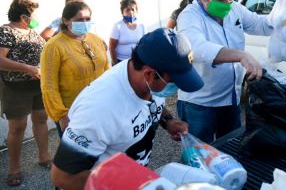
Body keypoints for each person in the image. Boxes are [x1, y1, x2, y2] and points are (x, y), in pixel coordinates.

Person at [50, 28, 204, 190]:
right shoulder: (100, 109)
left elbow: (153, 103)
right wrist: (130, 184)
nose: (176, 88)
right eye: (174, 82)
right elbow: (62, 177)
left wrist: (168, 121)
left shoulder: (142, 78)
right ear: (150, 74)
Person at [176, 0, 273, 143]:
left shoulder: (234, 8)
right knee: (200, 156)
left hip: (230, 99)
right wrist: (241, 56)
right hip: (200, 104)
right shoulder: (189, 16)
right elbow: (196, 48)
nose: (228, 4)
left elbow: (261, 25)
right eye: (222, 0)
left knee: (230, 150)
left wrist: (284, 12)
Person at [0, 0, 51, 186]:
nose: (37, 17)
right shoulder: (6, 31)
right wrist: (28, 69)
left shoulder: (32, 31)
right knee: (18, 127)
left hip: (37, 85)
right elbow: (0, 60)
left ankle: (44, 157)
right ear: (24, 16)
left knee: (41, 119)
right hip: (16, 88)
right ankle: (14, 169)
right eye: (34, 14)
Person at [41, 1, 110, 136]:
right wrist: (62, 116)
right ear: (65, 21)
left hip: (101, 107)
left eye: (87, 19)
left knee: (104, 151)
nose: (84, 23)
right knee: (79, 154)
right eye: (79, 19)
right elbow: (49, 86)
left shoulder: (95, 39)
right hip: (73, 113)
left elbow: (107, 70)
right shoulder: (53, 46)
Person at [109, 0, 147, 65]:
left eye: (133, 9)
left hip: (137, 61)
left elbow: (145, 45)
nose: (131, 12)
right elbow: (111, 47)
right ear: (122, 12)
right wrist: (115, 64)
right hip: (121, 62)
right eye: (127, 10)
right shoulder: (118, 26)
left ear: (136, 11)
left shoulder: (142, 25)